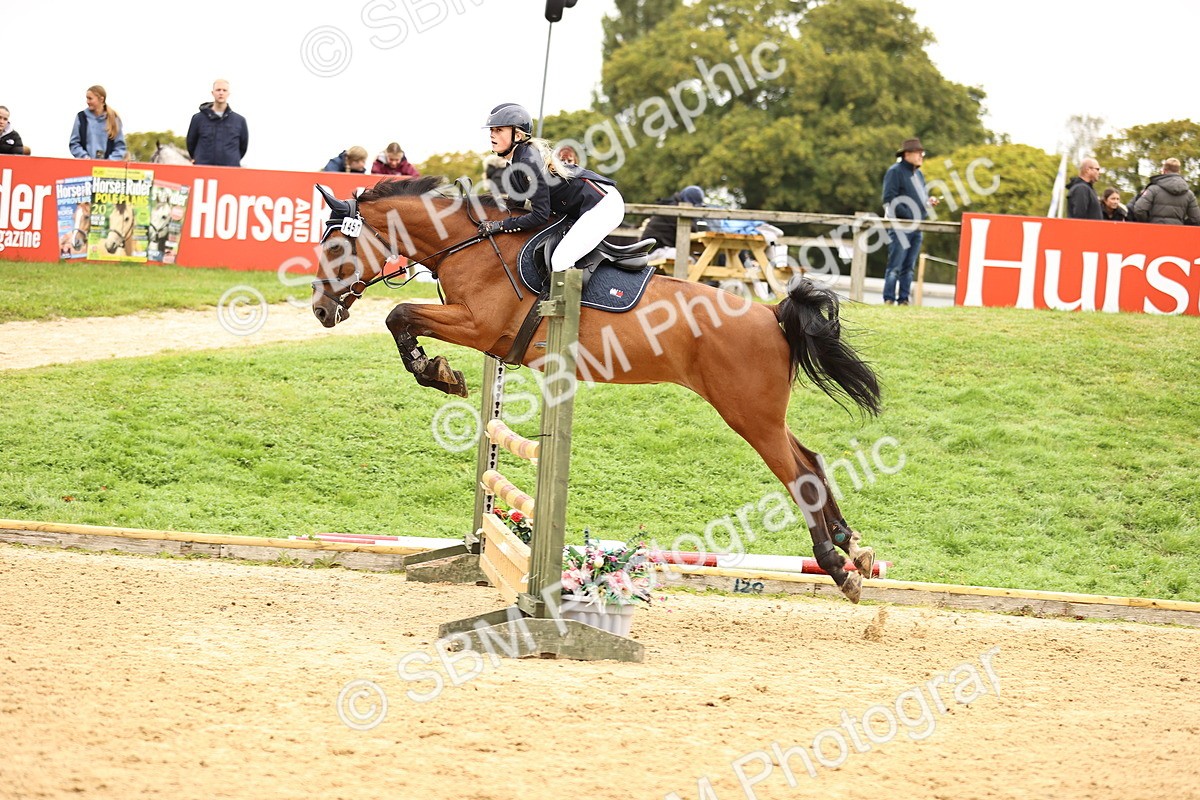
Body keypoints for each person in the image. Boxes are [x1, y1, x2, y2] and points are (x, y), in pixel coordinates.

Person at [477, 102, 623, 273]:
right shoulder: (516, 162)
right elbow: (515, 205)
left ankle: (569, 301)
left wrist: (501, 226)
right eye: (491, 130)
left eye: (499, 130)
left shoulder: (528, 162)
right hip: (587, 206)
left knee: (561, 261)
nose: (492, 135)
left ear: (517, 135)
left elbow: (540, 215)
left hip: (603, 205)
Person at [881, 137, 939, 306]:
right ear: (907, 154)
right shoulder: (895, 171)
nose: (922, 156)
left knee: (909, 267)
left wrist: (928, 202)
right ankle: (889, 299)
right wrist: (909, 217)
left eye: (922, 153)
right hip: (900, 226)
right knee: (895, 267)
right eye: (918, 153)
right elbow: (889, 199)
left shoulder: (919, 174)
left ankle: (904, 299)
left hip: (917, 228)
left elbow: (920, 200)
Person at [186, 79, 249, 167]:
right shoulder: (198, 118)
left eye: (224, 90)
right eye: (218, 90)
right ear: (212, 92)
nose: (221, 93)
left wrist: (231, 159)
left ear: (228, 93)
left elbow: (243, 147)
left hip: (230, 170)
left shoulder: (240, 121)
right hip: (203, 169)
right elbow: (191, 143)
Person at [641, 185, 706, 262]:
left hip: (657, 250)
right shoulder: (675, 211)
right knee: (687, 261)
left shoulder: (672, 207)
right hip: (652, 252)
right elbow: (692, 230)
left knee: (692, 260)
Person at [1130, 158, 1200, 225]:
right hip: (1177, 233)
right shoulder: (1189, 194)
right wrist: (1182, 225)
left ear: (1164, 171)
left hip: (1154, 231)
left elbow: (1139, 209)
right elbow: (1196, 218)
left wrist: (1148, 223)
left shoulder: (1153, 189)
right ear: (1179, 172)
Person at [69, 86, 125, 160]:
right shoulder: (81, 117)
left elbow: (120, 147)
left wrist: (109, 161)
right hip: (85, 166)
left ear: (101, 99)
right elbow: (74, 144)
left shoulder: (114, 119)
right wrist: (84, 157)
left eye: (90, 98)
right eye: (87, 98)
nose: (87, 101)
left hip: (107, 169)